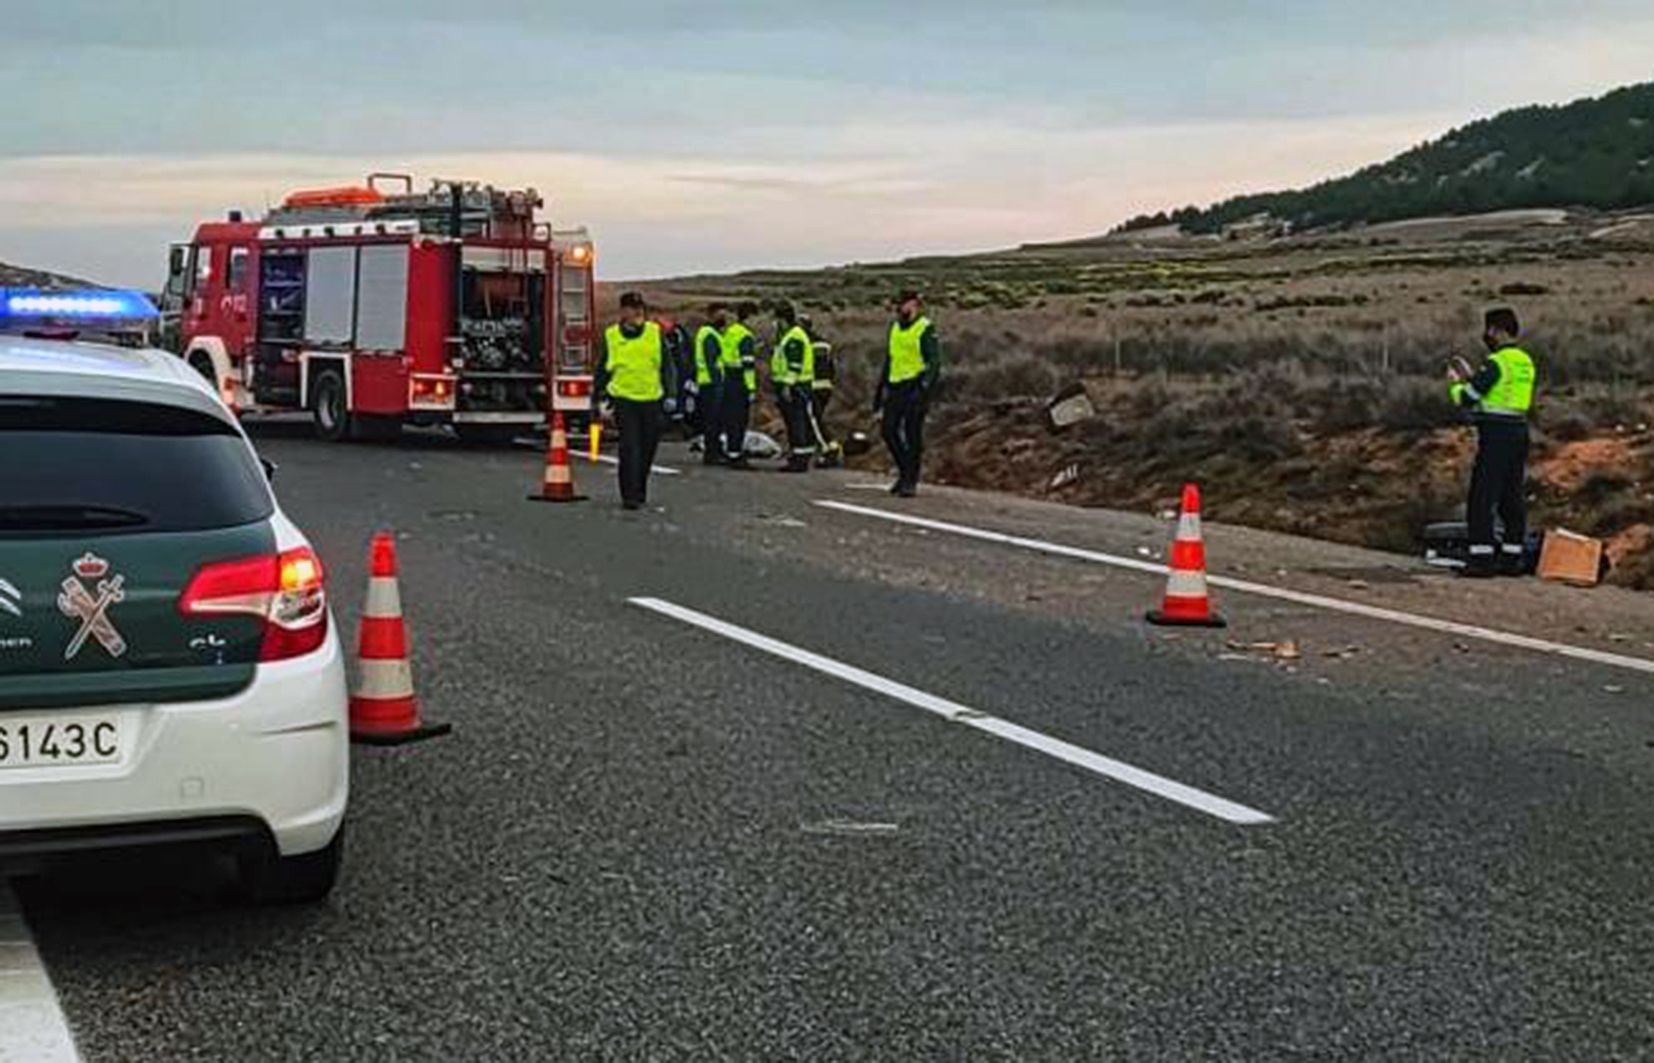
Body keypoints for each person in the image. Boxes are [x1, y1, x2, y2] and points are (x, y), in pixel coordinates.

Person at [1448, 306, 1536, 577]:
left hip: (1497, 434)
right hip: (1519, 430)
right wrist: (1474, 378)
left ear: (1496, 330)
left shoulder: (1496, 362)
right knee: (1511, 494)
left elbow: (1468, 398)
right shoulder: (1524, 361)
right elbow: (1498, 391)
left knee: (1482, 496)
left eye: (1488, 330)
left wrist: (1455, 384)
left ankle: (1481, 557)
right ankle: (1512, 557)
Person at [593, 292, 671, 510]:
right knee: (630, 447)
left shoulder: (654, 333)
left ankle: (640, 488)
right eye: (632, 308)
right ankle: (629, 495)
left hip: (651, 399)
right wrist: (597, 395)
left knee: (647, 448)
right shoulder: (612, 336)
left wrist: (672, 395)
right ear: (623, 312)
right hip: (624, 400)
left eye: (640, 308)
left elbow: (667, 366)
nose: (637, 312)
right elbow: (603, 369)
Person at [874, 289, 941, 497]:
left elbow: (934, 361)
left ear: (914, 304)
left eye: (903, 303)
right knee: (888, 430)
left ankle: (910, 479)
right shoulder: (895, 327)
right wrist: (880, 389)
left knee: (913, 433)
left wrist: (925, 386)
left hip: (915, 385)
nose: (899, 307)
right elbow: (890, 359)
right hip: (896, 385)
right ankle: (904, 470)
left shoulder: (925, 327)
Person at [770, 302, 816, 472]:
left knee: (797, 422)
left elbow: (794, 365)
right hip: (793, 384)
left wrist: (787, 385)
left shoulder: (794, 337)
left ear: (783, 319)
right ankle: (798, 455)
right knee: (795, 421)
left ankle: (800, 458)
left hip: (796, 386)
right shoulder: (788, 335)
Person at [718, 302, 760, 467]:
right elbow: (748, 365)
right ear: (749, 317)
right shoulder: (745, 336)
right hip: (739, 380)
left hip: (728, 378)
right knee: (740, 419)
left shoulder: (731, 331)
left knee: (731, 418)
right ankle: (736, 454)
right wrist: (751, 388)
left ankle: (731, 451)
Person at [803, 315, 842, 467]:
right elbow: (832, 366)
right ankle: (811, 449)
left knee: (814, 420)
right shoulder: (824, 344)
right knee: (815, 418)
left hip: (812, 385)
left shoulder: (804, 343)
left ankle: (830, 448)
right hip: (826, 386)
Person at [693, 305, 727, 464]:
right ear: (711, 316)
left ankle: (714, 450)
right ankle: (712, 453)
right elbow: (711, 361)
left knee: (714, 420)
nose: (723, 318)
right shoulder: (710, 335)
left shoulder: (710, 333)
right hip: (711, 383)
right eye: (720, 315)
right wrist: (718, 381)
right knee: (713, 420)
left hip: (708, 382)